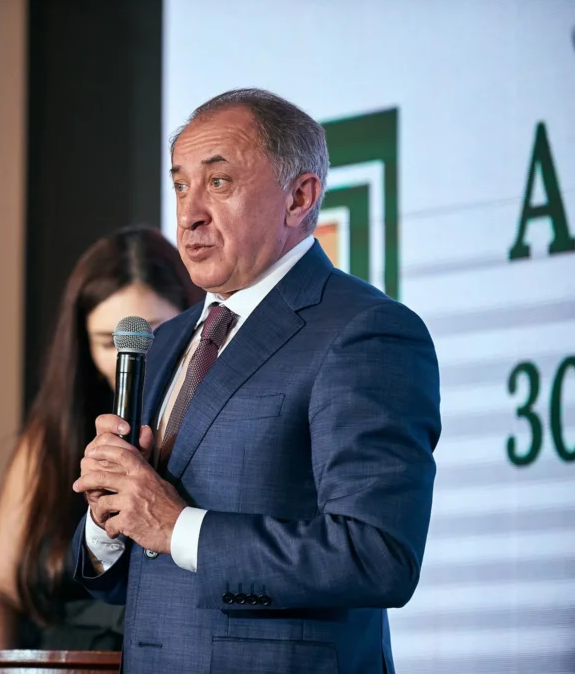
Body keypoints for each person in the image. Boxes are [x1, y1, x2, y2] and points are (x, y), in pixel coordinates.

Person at [72, 89, 441, 674]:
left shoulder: (364, 331)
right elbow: (139, 574)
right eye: (181, 185)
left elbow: (377, 555)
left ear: (300, 197)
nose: (189, 214)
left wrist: (177, 526)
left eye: (218, 182)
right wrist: (108, 516)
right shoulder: (165, 342)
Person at [0, 227, 203, 651]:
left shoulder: (211, 432)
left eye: (153, 336)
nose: (128, 360)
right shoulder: (51, 437)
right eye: (107, 343)